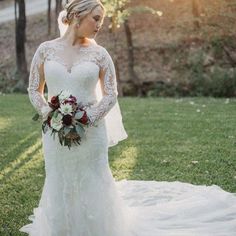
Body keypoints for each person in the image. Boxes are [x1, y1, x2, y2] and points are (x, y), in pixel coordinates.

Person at [19, 0, 236, 235]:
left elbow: (111, 94)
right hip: (54, 132)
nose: (100, 24)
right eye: (96, 18)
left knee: (93, 179)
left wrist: (85, 118)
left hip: (91, 133)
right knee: (59, 177)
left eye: (101, 19)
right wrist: (51, 115)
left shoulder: (100, 55)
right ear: (77, 15)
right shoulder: (45, 50)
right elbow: (34, 90)